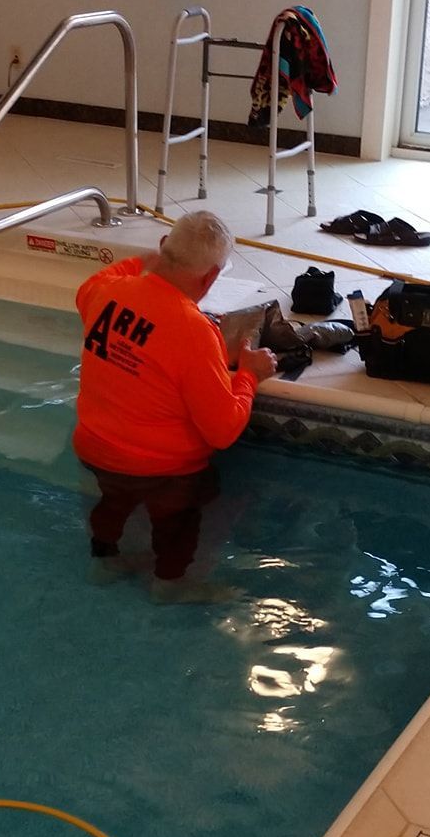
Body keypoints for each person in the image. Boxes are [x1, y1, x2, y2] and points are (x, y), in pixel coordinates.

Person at [73, 211, 277, 600]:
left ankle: (104, 562)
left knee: (111, 503)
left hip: (95, 449)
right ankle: (170, 584)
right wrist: (249, 375)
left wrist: (146, 262)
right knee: (182, 514)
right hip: (162, 471)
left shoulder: (105, 292)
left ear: (164, 245)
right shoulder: (195, 330)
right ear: (211, 277)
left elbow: (95, 286)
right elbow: (222, 431)